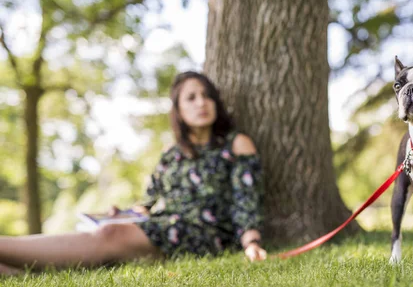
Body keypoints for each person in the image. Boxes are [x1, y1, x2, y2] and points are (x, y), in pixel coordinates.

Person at [0, 71, 267, 275]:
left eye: (207, 95)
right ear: (179, 110)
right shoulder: (171, 152)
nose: (202, 103)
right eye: (191, 97)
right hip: (165, 226)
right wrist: (125, 213)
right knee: (109, 232)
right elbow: (147, 203)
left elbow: (246, 202)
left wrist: (251, 242)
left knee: (110, 236)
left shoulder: (236, 145)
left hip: (206, 234)